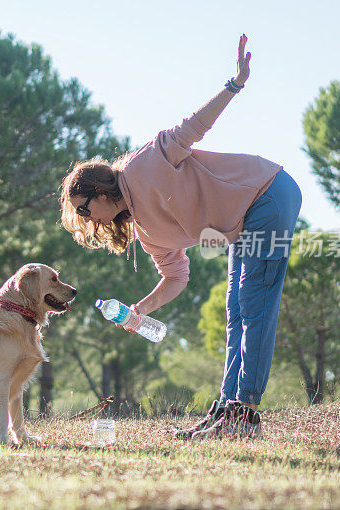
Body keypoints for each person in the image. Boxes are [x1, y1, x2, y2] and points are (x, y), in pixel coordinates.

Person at [59, 35, 302, 439]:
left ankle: (244, 418)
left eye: (84, 209)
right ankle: (225, 410)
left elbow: (196, 125)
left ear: (101, 193)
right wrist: (141, 310)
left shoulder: (143, 165)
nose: (87, 219)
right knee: (236, 309)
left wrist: (235, 83)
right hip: (242, 222)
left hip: (268, 193)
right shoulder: (145, 230)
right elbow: (176, 277)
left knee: (254, 302)